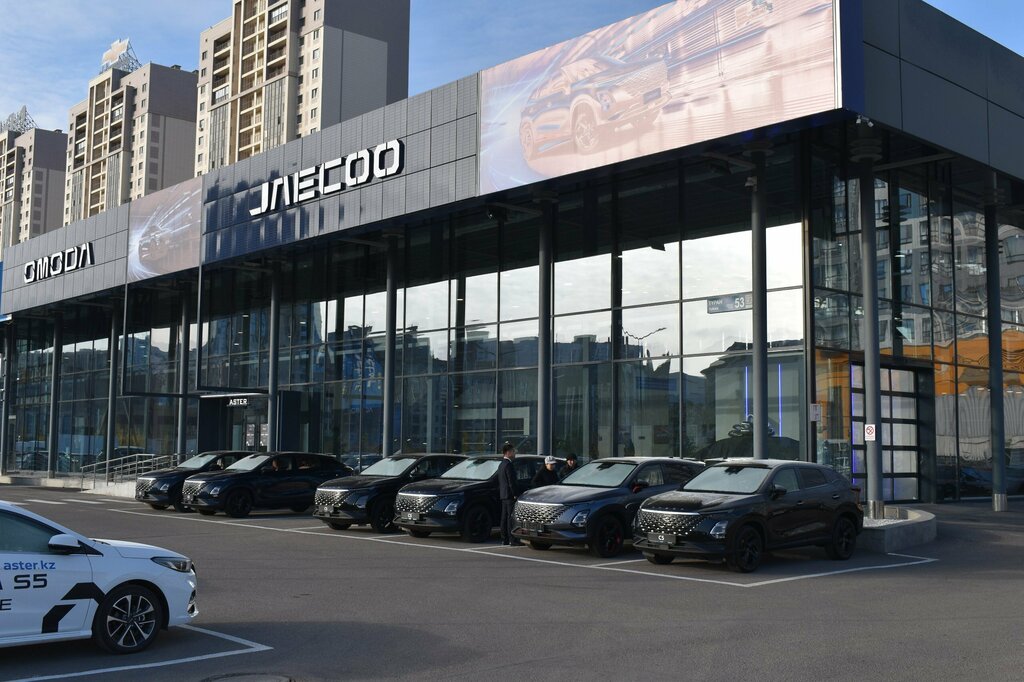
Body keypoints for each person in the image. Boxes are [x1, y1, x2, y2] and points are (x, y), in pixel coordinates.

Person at [497, 442, 521, 546]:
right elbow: (511, 482)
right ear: (508, 452)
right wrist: (515, 493)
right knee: (510, 518)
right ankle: (513, 539)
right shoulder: (509, 465)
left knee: (504, 517)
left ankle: (504, 539)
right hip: (510, 495)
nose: (514, 453)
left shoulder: (501, 464)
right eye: (513, 451)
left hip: (503, 494)